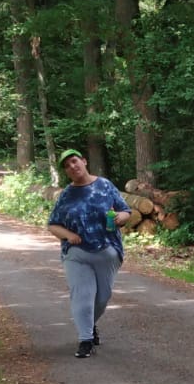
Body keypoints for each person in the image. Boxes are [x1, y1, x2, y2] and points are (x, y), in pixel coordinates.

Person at [47, 148, 131, 358]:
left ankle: (89, 325)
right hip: (76, 254)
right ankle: (85, 340)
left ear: (84, 161)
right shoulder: (66, 195)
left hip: (107, 250)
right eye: (67, 166)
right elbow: (53, 224)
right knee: (82, 297)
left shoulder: (104, 185)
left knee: (102, 297)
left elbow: (125, 210)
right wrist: (68, 235)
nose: (72, 167)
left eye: (74, 161)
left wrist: (121, 217)